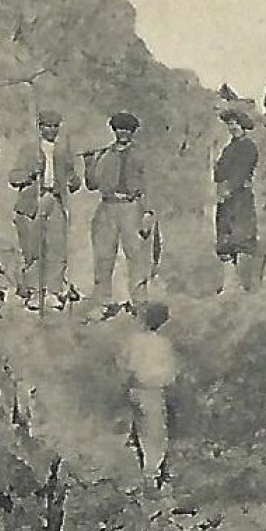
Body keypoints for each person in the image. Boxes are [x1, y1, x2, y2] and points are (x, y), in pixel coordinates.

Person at [8, 109, 81, 311]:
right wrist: (31, 173)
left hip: (55, 199)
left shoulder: (62, 152)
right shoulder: (29, 150)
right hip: (34, 201)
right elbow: (13, 177)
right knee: (33, 248)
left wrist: (74, 181)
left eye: (55, 126)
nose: (51, 130)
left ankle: (53, 291)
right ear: (40, 128)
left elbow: (72, 178)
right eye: (47, 126)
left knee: (57, 247)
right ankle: (34, 291)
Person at [86, 111, 154, 318]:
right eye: (119, 129)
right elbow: (91, 185)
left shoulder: (141, 155)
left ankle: (140, 302)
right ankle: (102, 303)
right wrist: (88, 165)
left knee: (136, 256)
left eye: (127, 129)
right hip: (107, 206)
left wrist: (148, 212)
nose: (122, 133)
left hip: (131, 206)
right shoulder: (104, 155)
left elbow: (149, 185)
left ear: (133, 132)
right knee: (104, 256)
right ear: (114, 130)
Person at [121, 301, 179, 486]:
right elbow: (169, 372)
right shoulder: (162, 344)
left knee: (140, 428)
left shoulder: (134, 340)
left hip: (134, 388)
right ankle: (151, 476)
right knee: (154, 433)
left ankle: (147, 470)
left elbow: (123, 363)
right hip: (151, 390)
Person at [213, 108, 262, 294]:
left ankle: (245, 286)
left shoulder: (248, 147)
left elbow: (241, 171)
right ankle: (229, 284)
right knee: (225, 240)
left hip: (240, 198)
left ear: (243, 126)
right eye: (230, 124)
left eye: (235, 123)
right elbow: (218, 173)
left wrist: (229, 188)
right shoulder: (229, 148)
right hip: (227, 199)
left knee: (242, 239)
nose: (232, 127)